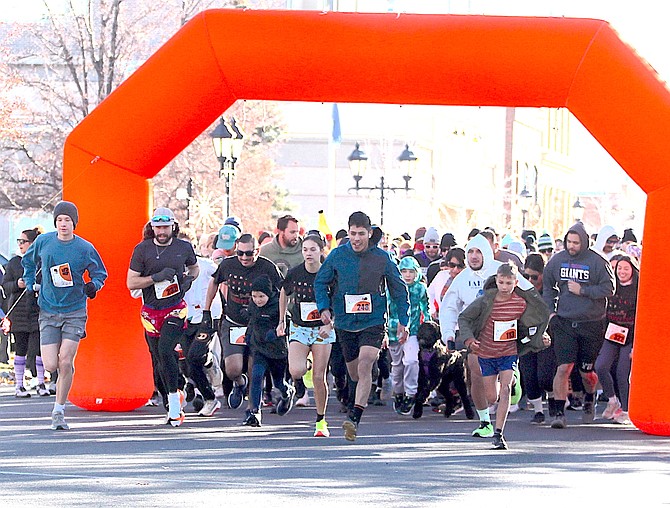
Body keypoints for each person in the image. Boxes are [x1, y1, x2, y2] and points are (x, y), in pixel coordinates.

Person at [314, 211, 409, 442]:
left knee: (365, 364)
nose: (356, 239)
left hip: (373, 321)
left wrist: (403, 322)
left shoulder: (382, 258)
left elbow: (399, 290)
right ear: (348, 233)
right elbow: (320, 282)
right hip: (346, 323)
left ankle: (354, 418)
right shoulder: (337, 256)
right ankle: (369, 377)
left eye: (361, 234)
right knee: (355, 372)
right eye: (352, 234)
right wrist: (324, 308)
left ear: (369, 233)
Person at [22, 201, 108, 430]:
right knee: (51, 365)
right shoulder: (43, 241)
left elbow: (101, 272)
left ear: (74, 223)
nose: (63, 224)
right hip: (49, 309)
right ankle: (64, 374)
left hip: (75, 310)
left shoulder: (84, 247)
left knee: (66, 360)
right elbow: (27, 262)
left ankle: (58, 411)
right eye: (60, 220)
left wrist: (94, 285)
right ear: (55, 222)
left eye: (67, 220)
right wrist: (30, 284)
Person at [458, 263, 550, 450]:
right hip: (486, 352)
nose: (505, 287)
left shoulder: (521, 303)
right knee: (492, 397)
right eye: (501, 282)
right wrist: (468, 340)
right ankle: (510, 380)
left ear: (516, 283)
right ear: (496, 281)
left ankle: (499, 433)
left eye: (509, 283)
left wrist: (540, 337)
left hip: (508, 352)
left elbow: (533, 323)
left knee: (506, 389)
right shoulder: (485, 301)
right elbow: (464, 318)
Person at [127, 207, 199, 427]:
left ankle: (174, 407)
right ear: (152, 228)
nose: (161, 231)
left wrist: (189, 280)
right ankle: (176, 388)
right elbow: (131, 282)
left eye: (165, 227)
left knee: (166, 350)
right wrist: (155, 278)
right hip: (151, 310)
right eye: (157, 227)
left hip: (175, 307)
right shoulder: (142, 250)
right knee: (158, 357)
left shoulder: (183, 247)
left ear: (173, 227)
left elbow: (194, 268)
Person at [543, 222, 615, 429]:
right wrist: (551, 312)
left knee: (586, 373)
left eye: (576, 242)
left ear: (584, 243)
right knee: (563, 367)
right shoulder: (558, 260)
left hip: (591, 324)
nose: (572, 246)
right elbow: (548, 286)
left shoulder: (598, 261)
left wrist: (583, 290)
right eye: (569, 242)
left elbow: (609, 288)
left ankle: (589, 398)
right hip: (565, 322)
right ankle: (558, 412)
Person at [203, 233, 283, 411]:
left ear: (257, 251)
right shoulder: (228, 264)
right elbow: (214, 282)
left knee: (254, 367)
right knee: (232, 369)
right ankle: (239, 383)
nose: (244, 257)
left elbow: (283, 291)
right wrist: (206, 310)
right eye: (240, 253)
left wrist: (278, 317)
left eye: (249, 253)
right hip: (233, 321)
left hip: (258, 323)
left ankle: (253, 409)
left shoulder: (267, 267)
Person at [279, 231, 335, 437]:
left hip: (322, 328)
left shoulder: (329, 273)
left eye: (313, 250)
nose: (308, 254)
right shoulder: (295, 273)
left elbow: (337, 300)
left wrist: (330, 324)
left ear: (321, 251)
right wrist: (281, 320)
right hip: (300, 327)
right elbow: (284, 292)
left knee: (319, 377)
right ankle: (301, 374)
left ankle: (321, 421)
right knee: (295, 370)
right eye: (305, 250)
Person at [3, 227, 50, 398]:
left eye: (23, 242)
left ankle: (41, 383)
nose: (20, 245)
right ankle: (19, 385)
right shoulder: (14, 262)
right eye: (19, 242)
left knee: (39, 348)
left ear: (32, 244)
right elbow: (6, 285)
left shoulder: (41, 261)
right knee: (20, 348)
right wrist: (17, 284)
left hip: (38, 310)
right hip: (19, 312)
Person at [241, 275, 294, 427]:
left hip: (277, 351)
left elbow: (287, 322)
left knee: (278, 383)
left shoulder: (277, 304)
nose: (258, 300)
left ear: (269, 294)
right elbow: (252, 321)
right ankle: (255, 412)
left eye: (261, 296)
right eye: (254, 296)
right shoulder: (253, 305)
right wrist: (248, 335)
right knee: (256, 375)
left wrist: (276, 332)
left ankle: (287, 392)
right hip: (259, 348)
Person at [595, 254, 638, 425]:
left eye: (626, 268)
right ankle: (612, 400)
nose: (622, 272)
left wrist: (636, 345)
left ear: (633, 270)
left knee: (622, 372)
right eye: (619, 268)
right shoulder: (611, 287)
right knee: (601, 365)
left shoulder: (638, 289)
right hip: (612, 334)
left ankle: (627, 410)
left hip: (630, 336)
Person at [519, 253, 557, 424]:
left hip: (546, 337)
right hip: (526, 337)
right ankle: (538, 410)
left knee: (545, 375)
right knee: (529, 375)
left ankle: (552, 397)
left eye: (534, 276)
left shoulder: (550, 291)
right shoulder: (519, 290)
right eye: (526, 276)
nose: (530, 280)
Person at [387, 255, 429, 415]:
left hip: (413, 330)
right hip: (393, 331)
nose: (407, 275)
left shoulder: (420, 289)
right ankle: (398, 393)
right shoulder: (392, 287)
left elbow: (426, 309)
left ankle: (411, 393)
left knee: (411, 360)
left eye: (411, 271)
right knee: (397, 366)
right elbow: (387, 309)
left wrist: (429, 327)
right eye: (404, 271)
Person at [427, 248, 465, 322]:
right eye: (452, 265)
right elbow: (428, 294)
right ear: (447, 263)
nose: (455, 270)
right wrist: (432, 309)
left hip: (462, 324)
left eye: (460, 266)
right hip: (442, 322)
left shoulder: (469, 279)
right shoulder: (441, 276)